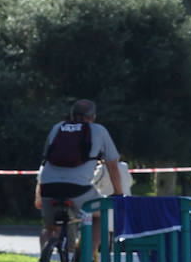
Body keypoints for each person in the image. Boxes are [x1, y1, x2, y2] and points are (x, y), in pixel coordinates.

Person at [34, 99, 124, 252]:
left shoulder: (57, 128)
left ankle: (44, 260)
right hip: (78, 189)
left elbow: (46, 159)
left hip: (49, 187)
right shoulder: (99, 130)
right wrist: (118, 193)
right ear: (93, 117)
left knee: (49, 227)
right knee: (100, 216)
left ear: (71, 115)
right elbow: (113, 166)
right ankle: (86, 259)